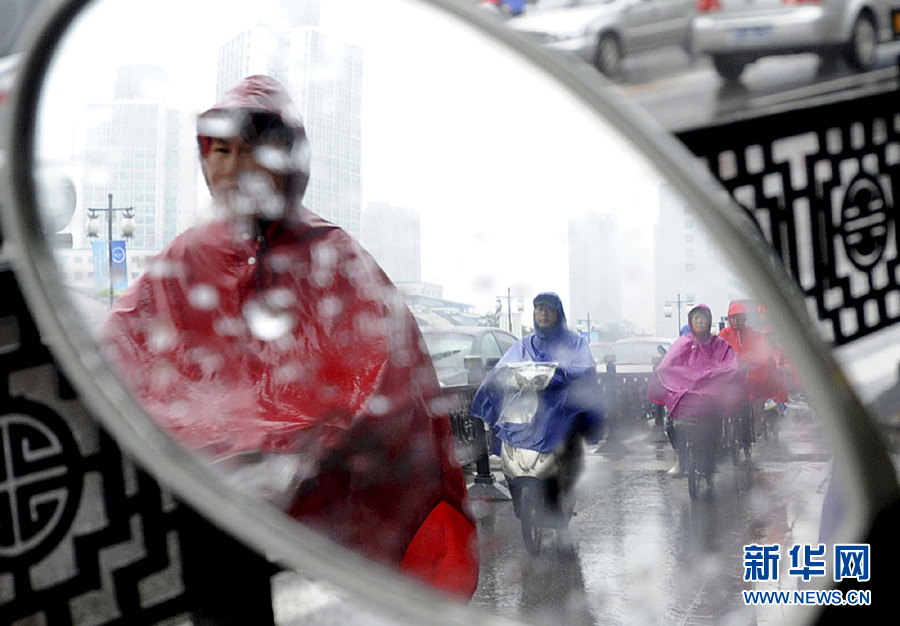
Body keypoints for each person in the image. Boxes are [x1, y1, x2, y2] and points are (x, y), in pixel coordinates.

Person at [97, 76, 479, 614]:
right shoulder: (184, 263)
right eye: (220, 151)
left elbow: (386, 388)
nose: (231, 169)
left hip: (321, 545)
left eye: (251, 150)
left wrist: (295, 457)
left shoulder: (334, 258)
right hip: (204, 530)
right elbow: (115, 357)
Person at [469, 293, 606, 520]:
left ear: (557, 313)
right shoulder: (525, 344)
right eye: (538, 309)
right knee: (508, 431)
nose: (542, 313)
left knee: (570, 436)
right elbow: (505, 368)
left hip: (564, 408)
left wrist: (563, 375)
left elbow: (582, 369)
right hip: (530, 408)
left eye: (548, 309)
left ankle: (566, 492)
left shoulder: (575, 343)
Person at [647, 304, 747, 477]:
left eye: (703, 318)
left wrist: (711, 378)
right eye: (696, 318)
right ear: (691, 321)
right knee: (672, 425)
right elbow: (668, 365)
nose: (699, 321)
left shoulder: (718, 344)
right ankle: (679, 461)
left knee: (714, 425)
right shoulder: (682, 343)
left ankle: (711, 458)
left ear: (709, 321)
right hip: (684, 394)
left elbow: (730, 364)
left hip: (709, 397)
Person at [717, 300, 779, 447]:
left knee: (753, 405)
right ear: (729, 318)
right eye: (733, 317)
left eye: (739, 316)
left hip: (750, 378)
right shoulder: (723, 335)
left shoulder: (755, 335)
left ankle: (751, 432)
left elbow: (762, 355)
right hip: (730, 379)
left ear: (744, 318)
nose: (735, 320)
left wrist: (751, 363)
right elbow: (716, 354)